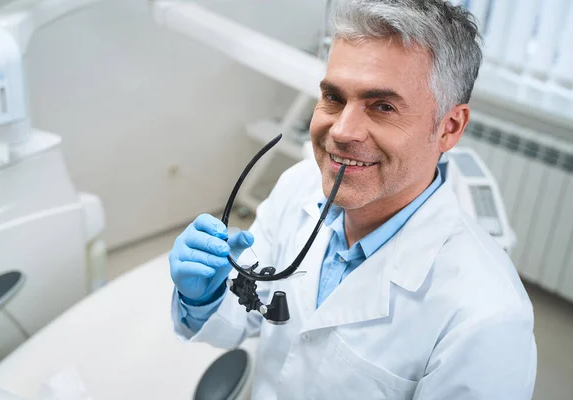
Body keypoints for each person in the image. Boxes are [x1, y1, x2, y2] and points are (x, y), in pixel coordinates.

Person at [168, 0, 537, 398]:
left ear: (449, 128)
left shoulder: (487, 318)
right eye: (334, 97)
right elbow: (247, 317)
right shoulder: (299, 186)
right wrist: (204, 296)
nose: (342, 131)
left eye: (382, 106)